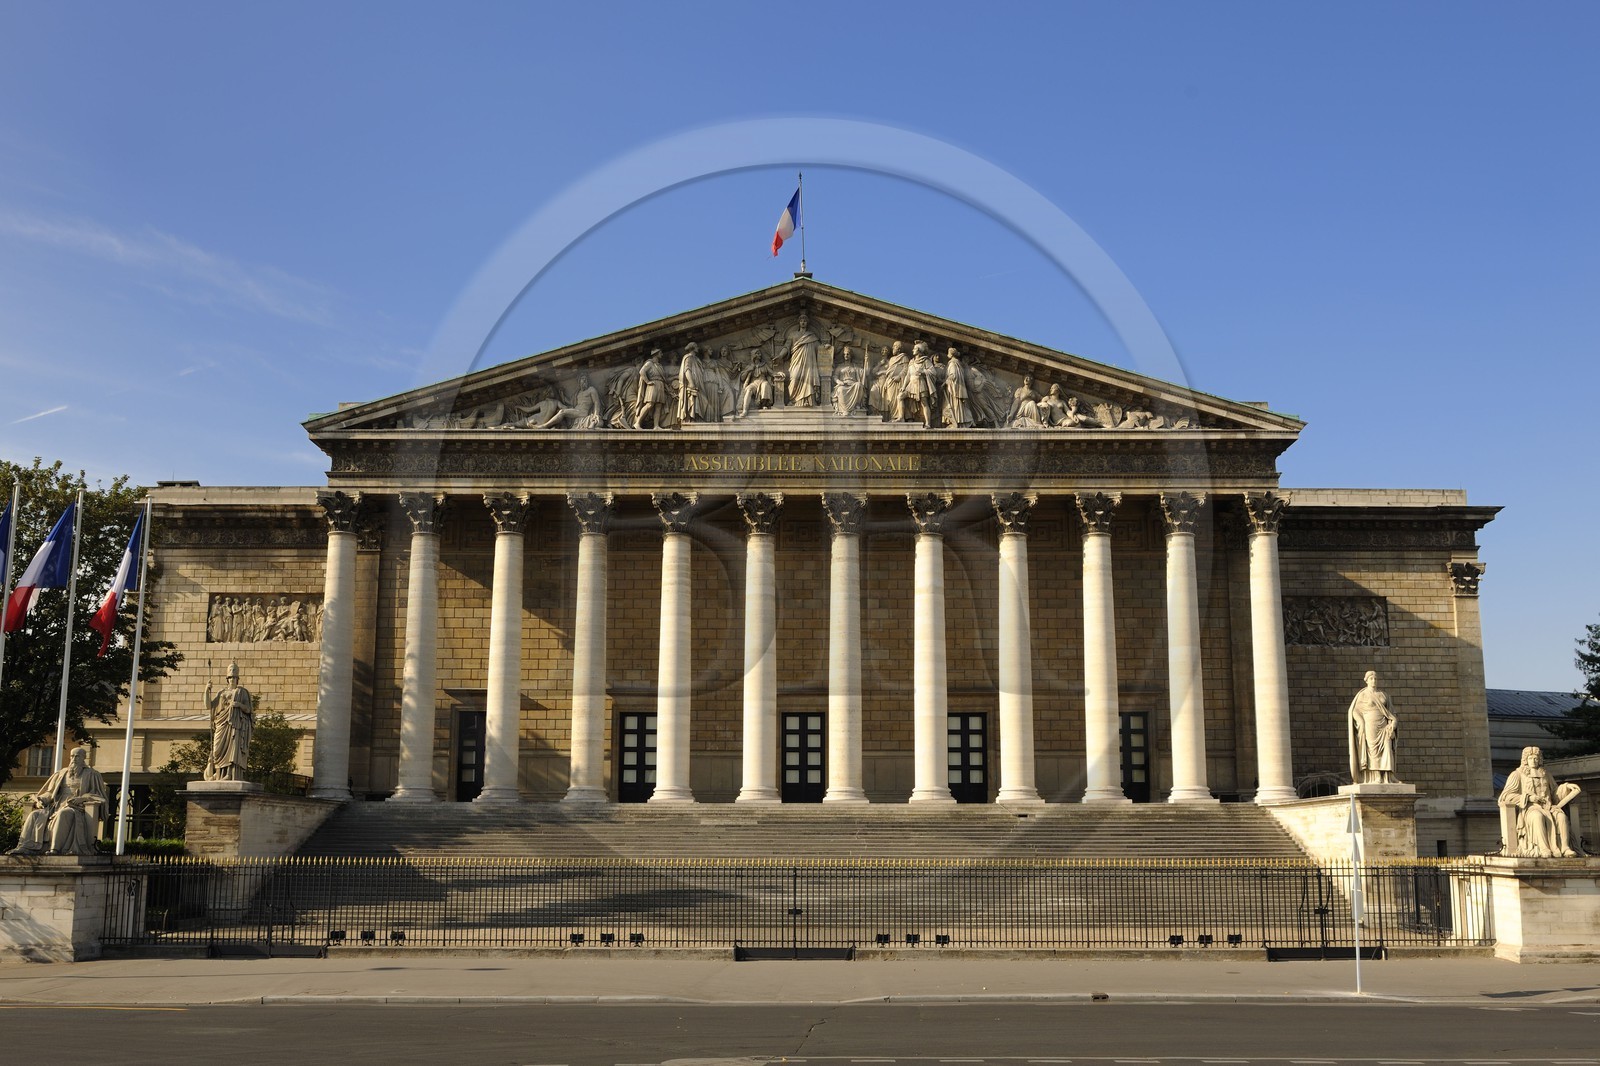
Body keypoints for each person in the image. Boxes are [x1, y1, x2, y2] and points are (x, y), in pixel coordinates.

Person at [8, 746, 108, 856]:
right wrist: (42, 799)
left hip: (76, 808)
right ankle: (25, 846)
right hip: (55, 805)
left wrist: (82, 798)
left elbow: (99, 795)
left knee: (63, 814)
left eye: (77, 756)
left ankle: (55, 849)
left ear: (84, 758)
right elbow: (50, 792)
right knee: (34, 815)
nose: (73, 759)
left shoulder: (92, 774)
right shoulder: (61, 773)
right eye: (72, 756)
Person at [1499, 746, 1581, 858]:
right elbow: (1506, 796)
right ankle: (1543, 848)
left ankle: (1565, 848)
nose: (1534, 761)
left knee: (1561, 817)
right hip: (1530, 809)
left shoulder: (1546, 774)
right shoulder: (1517, 774)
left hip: (1549, 807)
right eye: (1531, 758)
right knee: (1537, 817)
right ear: (1525, 760)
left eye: (1536, 758)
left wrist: (1566, 788)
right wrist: (1528, 798)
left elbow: (1555, 793)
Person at [205, 661, 256, 782]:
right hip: (222, 723)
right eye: (230, 677)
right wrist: (207, 690)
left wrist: (238, 704)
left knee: (234, 748)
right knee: (217, 750)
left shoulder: (242, 692)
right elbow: (209, 706)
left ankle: (230, 774)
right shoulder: (221, 693)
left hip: (235, 724)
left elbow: (249, 710)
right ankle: (218, 775)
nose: (232, 679)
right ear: (227, 679)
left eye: (234, 677)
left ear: (237, 679)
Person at [1345, 670, 1398, 784]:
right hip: (1370, 726)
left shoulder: (1384, 695)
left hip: (1384, 725)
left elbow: (1392, 712)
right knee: (1372, 751)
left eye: (1375, 679)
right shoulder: (1363, 694)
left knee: (1388, 749)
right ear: (1366, 680)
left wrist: (1393, 724)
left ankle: (1389, 776)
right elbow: (1354, 711)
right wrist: (1361, 723)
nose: (1374, 681)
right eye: (1371, 679)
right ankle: (1377, 776)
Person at [786, 312, 821, 407]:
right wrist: (780, 356)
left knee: (808, 380)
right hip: (796, 361)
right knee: (794, 378)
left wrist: (827, 347)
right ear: (799, 322)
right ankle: (793, 400)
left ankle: (808, 401)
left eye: (805, 321)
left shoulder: (811, 336)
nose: (803, 322)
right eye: (801, 321)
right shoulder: (793, 334)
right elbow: (786, 347)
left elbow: (819, 348)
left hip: (809, 363)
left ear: (807, 323)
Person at [632, 350, 669, 429]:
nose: (662, 354)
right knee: (650, 404)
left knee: (658, 406)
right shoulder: (649, 363)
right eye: (660, 353)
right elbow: (642, 371)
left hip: (660, 385)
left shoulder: (659, 365)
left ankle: (656, 426)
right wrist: (647, 381)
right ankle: (637, 423)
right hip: (653, 385)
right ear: (656, 354)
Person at [677, 342, 710, 424]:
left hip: (699, 383)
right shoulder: (688, 357)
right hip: (692, 383)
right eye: (696, 347)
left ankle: (697, 417)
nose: (698, 348)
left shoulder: (696, 359)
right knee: (692, 399)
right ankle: (691, 418)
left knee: (700, 400)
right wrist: (691, 382)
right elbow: (687, 370)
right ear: (693, 348)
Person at [942, 347, 973, 428]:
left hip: (954, 389)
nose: (947, 354)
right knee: (955, 405)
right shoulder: (956, 363)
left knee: (955, 404)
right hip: (955, 388)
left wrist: (945, 382)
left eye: (948, 352)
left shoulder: (953, 363)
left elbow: (953, 375)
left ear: (951, 354)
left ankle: (957, 421)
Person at [831, 346, 866, 415]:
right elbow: (835, 376)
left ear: (851, 355)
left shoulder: (855, 367)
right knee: (840, 390)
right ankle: (844, 409)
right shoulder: (840, 366)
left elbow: (863, 373)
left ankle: (857, 405)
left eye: (847, 354)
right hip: (843, 384)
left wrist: (866, 362)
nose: (846, 356)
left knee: (859, 385)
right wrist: (839, 382)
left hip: (853, 384)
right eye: (844, 354)